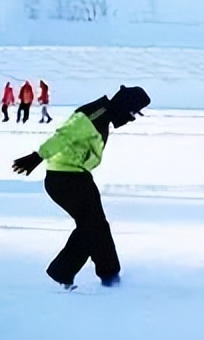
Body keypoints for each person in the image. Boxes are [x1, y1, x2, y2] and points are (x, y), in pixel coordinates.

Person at [12, 85, 151, 289]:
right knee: (94, 227)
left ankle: (84, 274)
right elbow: (65, 135)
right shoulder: (96, 114)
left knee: (93, 226)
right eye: (134, 111)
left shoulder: (104, 115)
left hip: (76, 176)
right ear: (126, 104)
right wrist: (38, 156)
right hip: (65, 178)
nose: (133, 117)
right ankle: (105, 277)